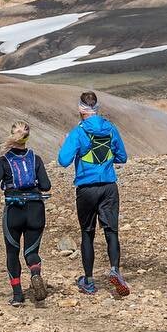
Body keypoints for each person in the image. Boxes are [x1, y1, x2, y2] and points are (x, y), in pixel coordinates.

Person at [57, 91, 130, 297]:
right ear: (96, 108)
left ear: (81, 110)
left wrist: (66, 145)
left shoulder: (78, 132)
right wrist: (104, 162)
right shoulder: (110, 128)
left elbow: (63, 161)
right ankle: (115, 270)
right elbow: (122, 157)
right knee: (111, 232)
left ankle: (88, 281)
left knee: (87, 233)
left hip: (86, 188)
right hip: (109, 186)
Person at [0, 122, 52, 306]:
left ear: (12, 135)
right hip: (36, 209)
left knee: (12, 252)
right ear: (28, 138)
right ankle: (35, 273)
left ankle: (18, 295)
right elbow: (46, 185)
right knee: (31, 251)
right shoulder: (36, 159)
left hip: (14, 210)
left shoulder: (3, 161)